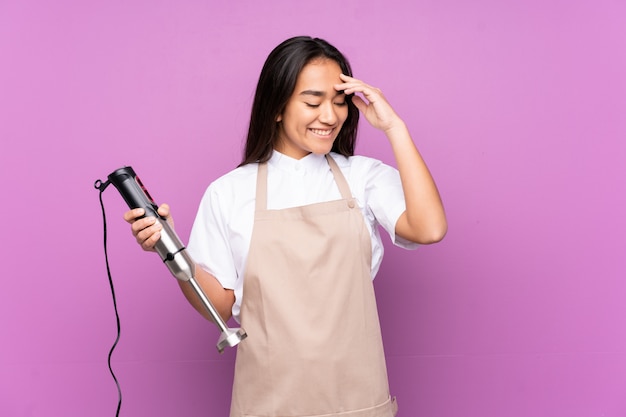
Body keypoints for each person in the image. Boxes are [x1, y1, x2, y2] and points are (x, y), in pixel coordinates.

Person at [124, 36, 447, 417]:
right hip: (268, 405)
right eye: (313, 102)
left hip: (358, 403)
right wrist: (173, 252)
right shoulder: (230, 192)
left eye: (339, 102)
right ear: (276, 107)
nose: (330, 116)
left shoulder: (362, 177)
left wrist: (394, 127)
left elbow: (428, 229)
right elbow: (221, 306)